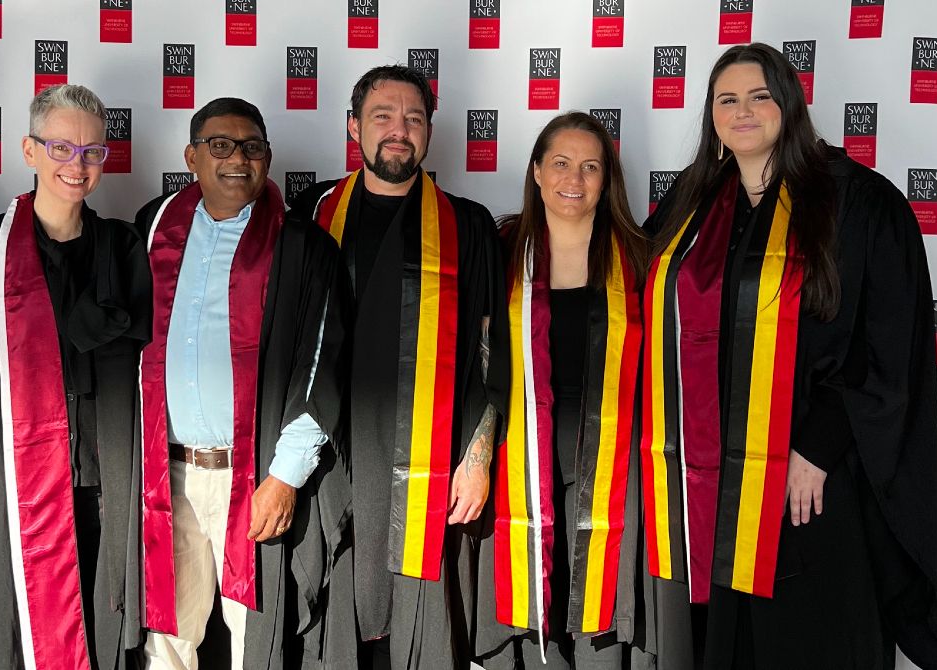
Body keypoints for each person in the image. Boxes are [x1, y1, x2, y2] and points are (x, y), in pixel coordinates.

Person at [641, 42, 937, 669]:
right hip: (709, 485)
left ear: (790, 102)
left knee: (812, 640)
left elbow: (892, 343)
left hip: (813, 477)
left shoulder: (858, 202)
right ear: (711, 116)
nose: (744, 111)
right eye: (727, 100)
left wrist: (817, 444)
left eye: (760, 95)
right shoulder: (691, 207)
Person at [288, 65, 509, 670]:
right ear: (354, 125)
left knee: (423, 619)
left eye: (414, 118)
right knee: (333, 609)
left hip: (433, 459)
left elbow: (492, 351)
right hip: (331, 453)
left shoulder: (468, 225)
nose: (399, 130)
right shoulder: (312, 213)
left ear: (430, 133)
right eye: (382, 116)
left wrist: (478, 457)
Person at [0, 84, 150, 669]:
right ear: (28, 151)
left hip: (106, 488)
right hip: (11, 487)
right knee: (17, 638)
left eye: (92, 152)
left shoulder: (124, 248)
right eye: (60, 148)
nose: (76, 165)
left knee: (101, 632)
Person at [134, 97, 351, 670]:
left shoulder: (302, 248)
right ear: (192, 156)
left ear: (268, 157)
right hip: (166, 476)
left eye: (252, 147)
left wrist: (284, 477)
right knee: (166, 646)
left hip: (252, 477)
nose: (237, 158)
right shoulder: (153, 232)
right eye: (220, 145)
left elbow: (320, 363)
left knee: (256, 646)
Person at [475, 112, 693, 670]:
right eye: (562, 163)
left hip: (618, 477)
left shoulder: (643, 258)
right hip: (519, 469)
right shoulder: (499, 252)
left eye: (591, 166)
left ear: (607, 179)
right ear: (537, 172)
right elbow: (474, 365)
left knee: (603, 629)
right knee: (531, 623)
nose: (575, 178)